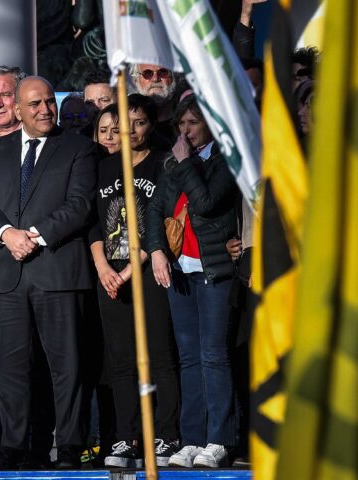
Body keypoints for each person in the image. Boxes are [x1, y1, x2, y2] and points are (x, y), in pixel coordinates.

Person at [0, 76, 97, 470]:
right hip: (6, 274)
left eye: (49, 103)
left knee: (66, 365)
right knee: (10, 367)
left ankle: (71, 446)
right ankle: (14, 446)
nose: (45, 110)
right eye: (36, 104)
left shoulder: (78, 148)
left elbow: (79, 205)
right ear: (18, 110)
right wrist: (8, 235)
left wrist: (35, 237)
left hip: (56, 270)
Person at [145, 94, 240, 468]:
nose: (185, 131)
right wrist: (155, 251)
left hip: (213, 270)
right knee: (188, 358)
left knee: (213, 355)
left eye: (193, 124)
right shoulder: (172, 162)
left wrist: (186, 163)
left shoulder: (223, 162)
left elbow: (205, 202)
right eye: (182, 124)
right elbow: (155, 210)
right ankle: (192, 438)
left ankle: (220, 438)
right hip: (180, 269)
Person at [89, 94, 180, 468]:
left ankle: (166, 434)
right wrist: (103, 268)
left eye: (140, 122)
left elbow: (161, 225)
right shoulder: (105, 168)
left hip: (146, 272)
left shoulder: (164, 165)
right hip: (110, 274)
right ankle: (126, 437)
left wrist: (128, 270)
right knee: (121, 359)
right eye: (126, 123)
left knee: (158, 355)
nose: (132, 130)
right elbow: (93, 222)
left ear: (151, 125)